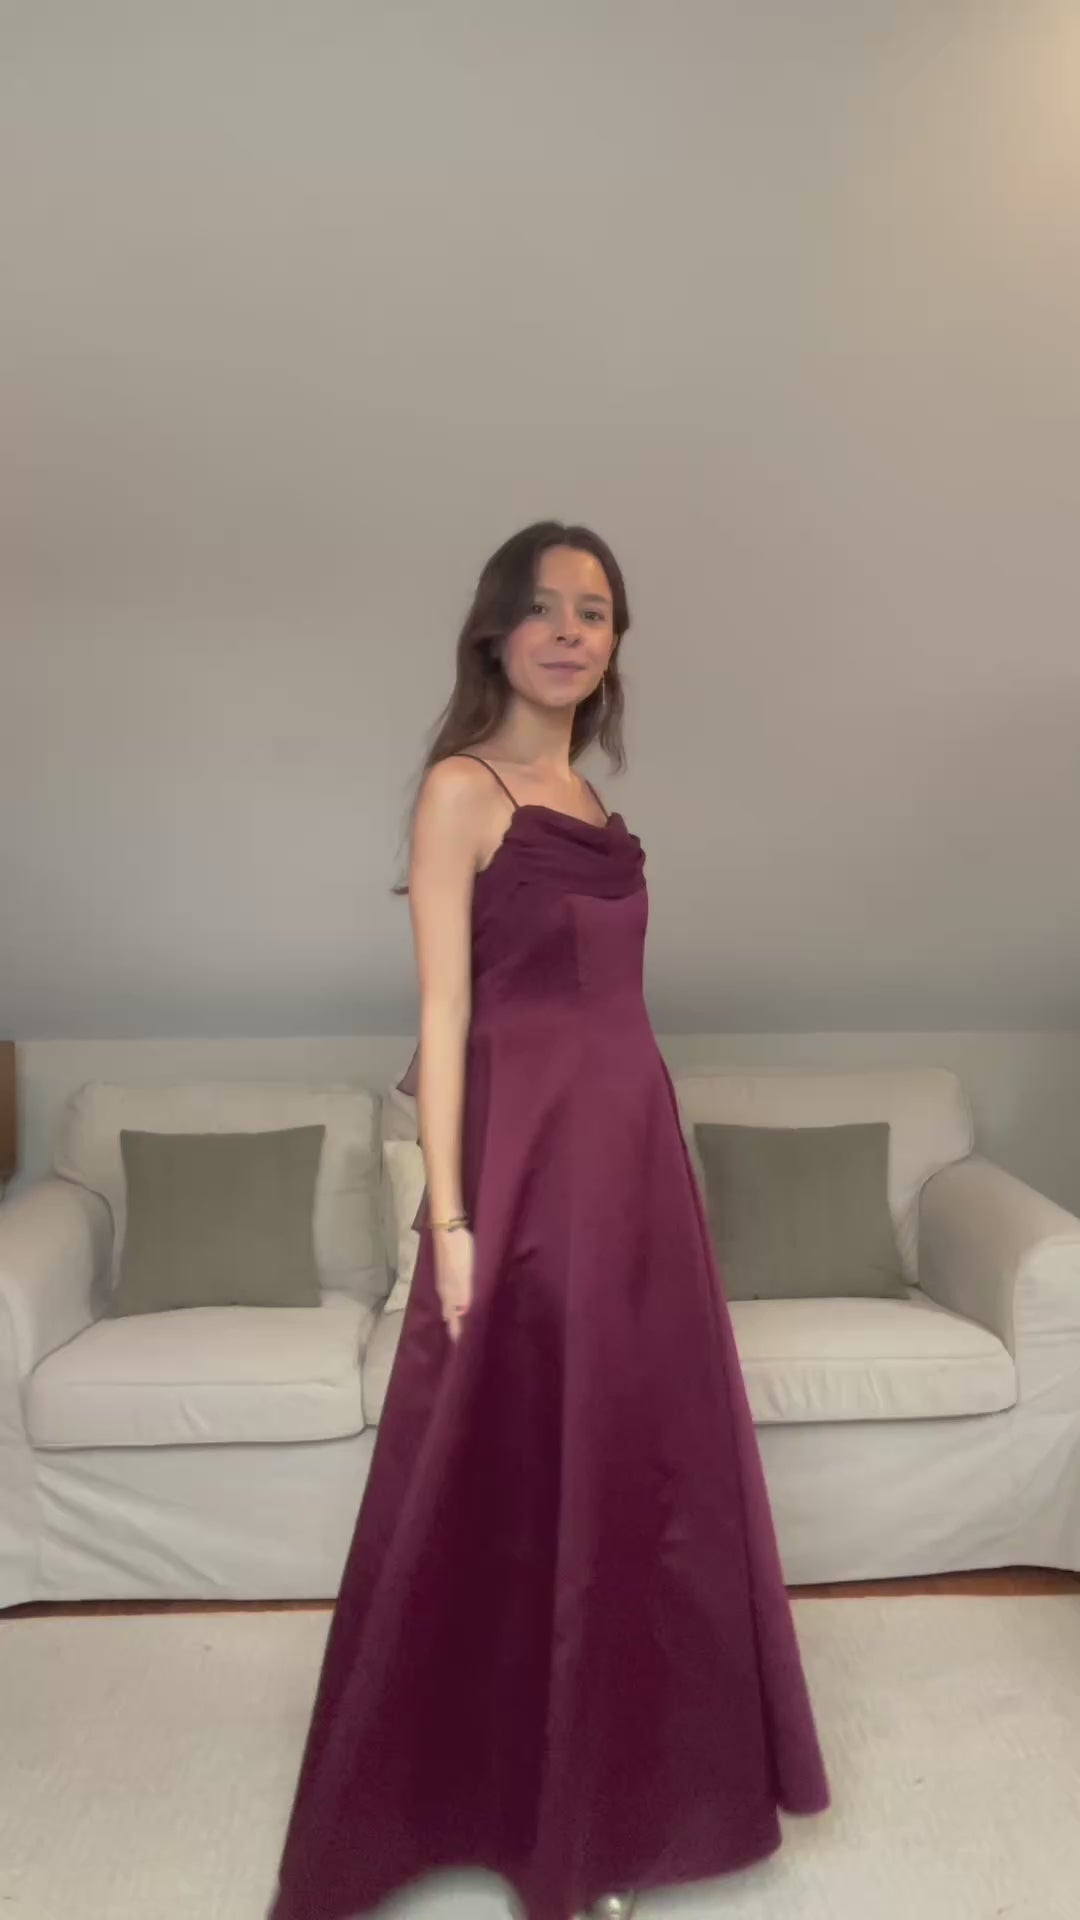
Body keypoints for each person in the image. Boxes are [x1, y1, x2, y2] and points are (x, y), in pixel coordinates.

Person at [268, 522, 830, 1920]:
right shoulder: (463, 790)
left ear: (615, 641)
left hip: (633, 1161)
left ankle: (627, 1793)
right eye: (543, 607)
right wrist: (451, 1220)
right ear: (495, 632)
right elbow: (445, 1013)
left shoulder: (589, 800)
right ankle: (510, 1803)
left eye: (595, 610)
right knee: (515, 1461)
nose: (570, 630)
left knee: (640, 1463)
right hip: (524, 1175)